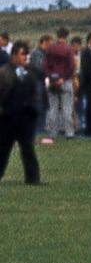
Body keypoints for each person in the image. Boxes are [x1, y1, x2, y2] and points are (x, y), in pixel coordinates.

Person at [0, 42, 42, 184]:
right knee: (3, 149)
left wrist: (32, 109)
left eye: (27, 54)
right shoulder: (4, 72)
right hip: (8, 117)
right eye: (23, 54)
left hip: (25, 117)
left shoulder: (30, 71)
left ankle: (33, 179)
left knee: (28, 148)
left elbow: (34, 92)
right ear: (14, 55)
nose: (26, 57)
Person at [42, 27, 77, 138]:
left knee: (53, 108)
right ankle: (69, 133)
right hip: (65, 81)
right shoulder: (68, 49)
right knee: (67, 109)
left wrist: (51, 77)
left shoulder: (50, 49)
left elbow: (44, 66)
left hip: (53, 81)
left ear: (57, 35)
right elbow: (72, 66)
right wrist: (63, 77)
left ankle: (52, 132)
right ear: (67, 36)